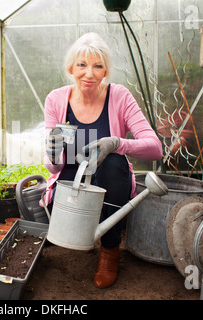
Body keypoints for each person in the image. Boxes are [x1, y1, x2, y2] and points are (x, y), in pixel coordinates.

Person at [42, 32, 163, 289]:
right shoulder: (56, 99)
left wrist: (117, 143)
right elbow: (54, 167)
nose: (89, 73)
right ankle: (84, 233)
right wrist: (52, 152)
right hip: (70, 183)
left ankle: (109, 250)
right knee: (59, 202)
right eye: (82, 65)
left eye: (98, 66)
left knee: (112, 164)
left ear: (105, 70)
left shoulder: (119, 96)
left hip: (108, 181)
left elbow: (155, 149)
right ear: (71, 67)